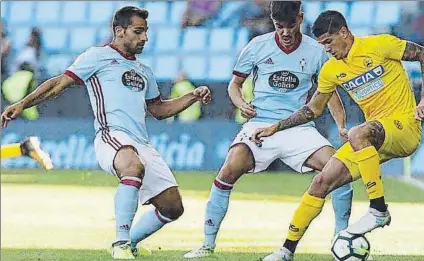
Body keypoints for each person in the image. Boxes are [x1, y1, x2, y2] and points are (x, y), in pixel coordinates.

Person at [1, 6, 212, 260]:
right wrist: (23, 103)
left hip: (141, 141)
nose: (144, 37)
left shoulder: (145, 71)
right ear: (119, 31)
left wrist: (192, 96)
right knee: (131, 166)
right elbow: (59, 83)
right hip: (110, 135)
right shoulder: (97, 56)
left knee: (172, 207)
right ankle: (121, 243)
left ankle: (129, 242)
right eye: (138, 31)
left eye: (145, 32)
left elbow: (158, 110)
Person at [183, 2, 353, 259]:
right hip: (260, 124)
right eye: (279, 26)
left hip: (298, 127)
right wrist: (241, 104)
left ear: (301, 18)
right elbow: (234, 85)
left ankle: (341, 239)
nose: (285, 32)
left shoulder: (316, 51)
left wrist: (341, 125)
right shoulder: (257, 46)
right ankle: (207, 244)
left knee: (339, 170)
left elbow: (328, 94)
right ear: (273, 21)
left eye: (291, 25)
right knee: (229, 168)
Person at [252, 10, 424, 261]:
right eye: (322, 45)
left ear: (344, 32)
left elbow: (421, 53)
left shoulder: (380, 44)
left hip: (404, 128)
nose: (327, 49)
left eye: (329, 42)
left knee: (358, 133)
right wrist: (276, 127)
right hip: (374, 138)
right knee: (321, 182)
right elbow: (313, 109)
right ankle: (286, 250)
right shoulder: (331, 70)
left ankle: (378, 209)